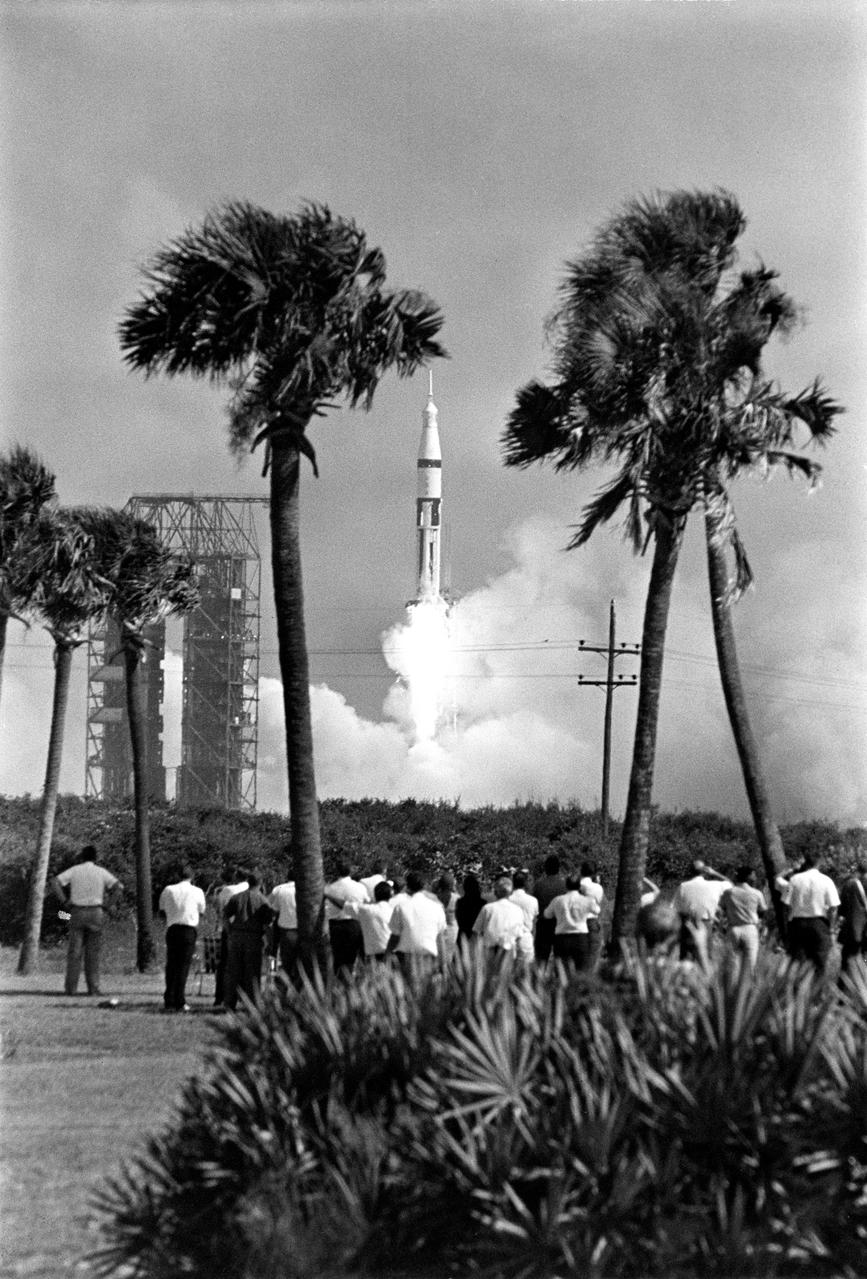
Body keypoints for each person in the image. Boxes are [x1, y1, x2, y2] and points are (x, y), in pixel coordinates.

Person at [52, 844, 122, 996]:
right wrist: (108, 905)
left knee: (74, 953)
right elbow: (119, 887)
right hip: (96, 912)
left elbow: (55, 882)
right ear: (96, 858)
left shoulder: (75, 870)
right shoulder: (101, 872)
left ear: (82, 857)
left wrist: (65, 901)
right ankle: (93, 988)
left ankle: (71, 989)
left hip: (76, 912)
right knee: (93, 954)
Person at [776, 854, 840, 974]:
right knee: (820, 961)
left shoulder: (793, 880)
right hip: (819, 924)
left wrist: (787, 922)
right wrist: (831, 927)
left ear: (806, 863)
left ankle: (798, 990)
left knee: (797, 960)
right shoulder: (827, 881)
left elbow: (785, 902)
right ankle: (817, 989)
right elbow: (833, 907)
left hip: (797, 923)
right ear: (818, 864)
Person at [223, 871, 276, 1010]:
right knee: (252, 972)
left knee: (234, 971)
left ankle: (229, 1002)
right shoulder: (263, 900)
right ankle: (252, 1003)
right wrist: (270, 942)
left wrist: (229, 931)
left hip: (236, 937)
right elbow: (268, 924)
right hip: (253, 938)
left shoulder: (236, 897)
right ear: (261, 883)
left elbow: (225, 916)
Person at [158, 864, 206, 1012]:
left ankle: (169, 998)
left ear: (178, 876)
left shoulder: (168, 889)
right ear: (192, 877)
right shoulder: (197, 891)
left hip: (172, 929)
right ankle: (180, 999)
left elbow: (161, 910)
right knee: (183, 966)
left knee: (171, 964)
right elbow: (202, 911)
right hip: (188, 930)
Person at [388, 870, 446, 979]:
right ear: (424, 886)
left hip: (405, 959)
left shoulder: (401, 907)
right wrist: (443, 966)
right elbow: (440, 939)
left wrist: (386, 957)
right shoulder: (437, 907)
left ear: (407, 887)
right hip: (429, 959)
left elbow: (394, 936)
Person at [673, 859, 732, 966]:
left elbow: (675, 909)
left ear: (690, 871)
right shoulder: (715, 885)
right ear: (704, 871)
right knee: (705, 957)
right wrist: (714, 873)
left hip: (687, 923)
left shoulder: (683, 886)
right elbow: (730, 884)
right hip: (706, 924)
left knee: (685, 958)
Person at [543, 875, 598, 973]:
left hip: (561, 938)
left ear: (566, 886)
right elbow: (597, 910)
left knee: (562, 972)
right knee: (581, 970)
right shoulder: (586, 900)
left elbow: (547, 915)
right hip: (580, 938)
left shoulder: (558, 900)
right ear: (579, 886)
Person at [213, 867, 249, 1007]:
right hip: (248, 932)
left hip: (229, 930)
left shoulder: (228, 891)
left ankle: (220, 996)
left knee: (225, 965)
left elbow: (219, 908)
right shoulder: (256, 890)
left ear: (236, 876)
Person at [720, 866, 766, 973]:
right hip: (750, 928)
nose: (755, 877)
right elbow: (763, 909)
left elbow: (722, 907)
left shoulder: (729, 892)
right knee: (750, 962)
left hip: (733, 928)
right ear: (749, 876)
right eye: (753, 874)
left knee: (732, 963)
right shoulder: (756, 893)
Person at [324, 861, 368, 972]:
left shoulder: (329, 888)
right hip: (354, 924)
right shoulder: (359, 887)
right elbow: (367, 902)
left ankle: (339, 982)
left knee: (337, 958)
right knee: (351, 958)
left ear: (337, 871)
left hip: (335, 925)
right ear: (350, 871)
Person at [338, 881, 396, 962]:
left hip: (373, 957)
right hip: (393, 954)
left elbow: (344, 905)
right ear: (391, 895)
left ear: (375, 895)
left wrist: (327, 894)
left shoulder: (366, 910)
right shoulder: (394, 911)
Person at [473, 877, 530, 955]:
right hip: (508, 952)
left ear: (495, 892)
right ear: (511, 893)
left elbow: (476, 931)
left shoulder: (487, 908)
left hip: (489, 951)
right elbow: (519, 935)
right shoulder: (518, 910)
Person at [532, 854, 567, 963]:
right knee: (560, 958)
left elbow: (535, 904)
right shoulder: (564, 885)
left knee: (541, 958)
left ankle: (539, 977)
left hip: (543, 924)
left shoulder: (538, 884)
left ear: (546, 868)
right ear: (558, 868)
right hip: (560, 924)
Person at [839, 858, 867, 973]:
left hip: (852, 926)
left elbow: (842, 907)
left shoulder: (849, 884)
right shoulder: (855, 884)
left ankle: (842, 984)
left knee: (847, 956)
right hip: (862, 926)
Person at [268, 871, 298, 974]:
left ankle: (272, 970)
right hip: (299, 925)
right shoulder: (303, 889)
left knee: (273, 949)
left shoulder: (278, 889)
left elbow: (270, 905)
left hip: (281, 924)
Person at [579, 859, 605, 970]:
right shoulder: (597, 888)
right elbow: (599, 902)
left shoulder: (576, 884)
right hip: (591, 921)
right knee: (593, 953)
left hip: (577, 921)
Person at [433, 871, 460, 965]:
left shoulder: (435, 898)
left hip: (438, 932)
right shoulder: (457, 898)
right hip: (453, 932)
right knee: (449, 961)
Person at [455, 873, 485, 945]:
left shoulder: (460, 902)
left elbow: (458, 919)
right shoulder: (483, 903)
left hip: (463, 937)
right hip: (478, 938)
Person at [510, 870, 539, 937]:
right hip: (526, 936)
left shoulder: (507, 899)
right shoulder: (533, 900)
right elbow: (534, 922)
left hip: (511, 936)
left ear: (513, 882)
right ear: (525, 883)